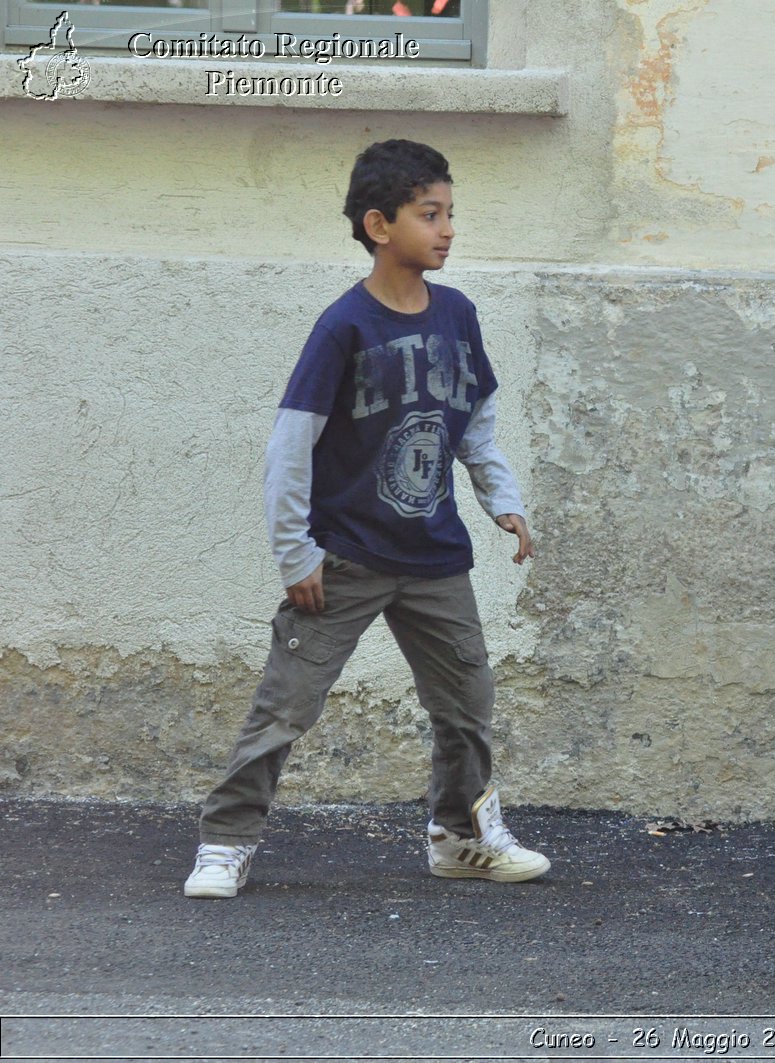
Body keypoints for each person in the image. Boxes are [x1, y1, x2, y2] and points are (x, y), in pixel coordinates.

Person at [183, 139, 549, 899]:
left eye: (451, 213)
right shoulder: (343, 326)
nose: (447, 229)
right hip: (345, 558)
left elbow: (474, 421)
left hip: (435, 558)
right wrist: (296, 554)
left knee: (467, 707)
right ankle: (226, 838)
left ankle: (459, 836)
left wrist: (502, 500)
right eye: (430, 214)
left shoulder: (458, 314)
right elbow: (291, 447)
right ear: (379, 225)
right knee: (286, 706)